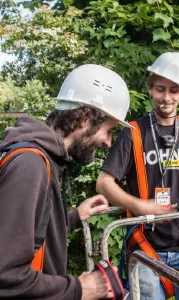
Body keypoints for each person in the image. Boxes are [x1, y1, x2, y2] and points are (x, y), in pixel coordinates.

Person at [0, 64, 133, 300]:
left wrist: (72, 217)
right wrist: (81, 289)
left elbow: (27, 233)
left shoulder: (45, 159)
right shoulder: (29, 165)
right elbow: (6, 276)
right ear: (84, 118)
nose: (108, 143)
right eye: (108, 131)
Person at [96, 52, 179, 300]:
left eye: (174, 90)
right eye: (160, 89)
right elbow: (104, 183)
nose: (166, 97)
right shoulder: (133, 133)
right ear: (150, 89)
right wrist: (139, 206)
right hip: (146, 246)